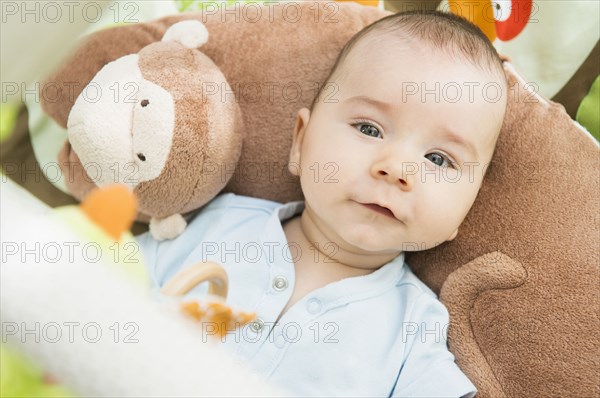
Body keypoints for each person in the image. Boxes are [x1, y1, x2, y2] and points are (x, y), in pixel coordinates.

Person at [137, 10, 507, 398]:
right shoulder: (217, 224)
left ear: (467, 208)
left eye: (438, 159)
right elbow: (97, 284)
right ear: (301, 140)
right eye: (369, 128)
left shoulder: (415, 326)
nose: (397, 169)